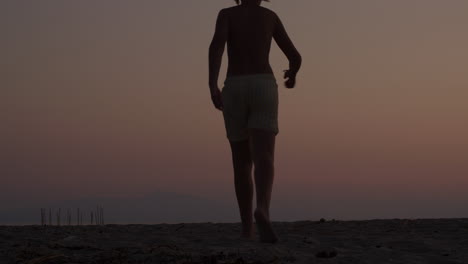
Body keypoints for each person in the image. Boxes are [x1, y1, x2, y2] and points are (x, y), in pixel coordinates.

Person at [208, 0, 301, 243]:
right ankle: (263, 209)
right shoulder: (269, 17)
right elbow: (295, 55)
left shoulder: (226, 14)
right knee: (265, 157)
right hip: (263, 85)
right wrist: (292, 75)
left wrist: (212, 85)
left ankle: (247, 229)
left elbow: (216, 46)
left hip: (235, 86)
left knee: (241, 164)